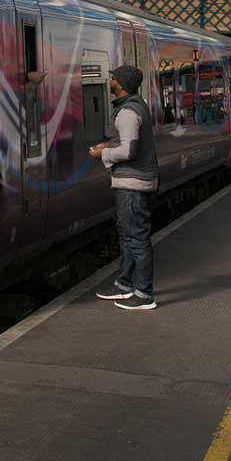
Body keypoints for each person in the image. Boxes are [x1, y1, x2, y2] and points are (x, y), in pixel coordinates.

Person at [90, 65, 159, 311]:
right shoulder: (134, 106)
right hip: (133, 183)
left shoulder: (128, 111)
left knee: (137, 239)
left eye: (113, 77)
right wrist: (108, 144)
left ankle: (145, 294)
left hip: (133, 185)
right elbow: (127, 141)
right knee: (128, 236)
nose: (109, 79)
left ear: (120, 84)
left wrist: (102, 154)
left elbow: (129, 150)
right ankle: (124, 284)